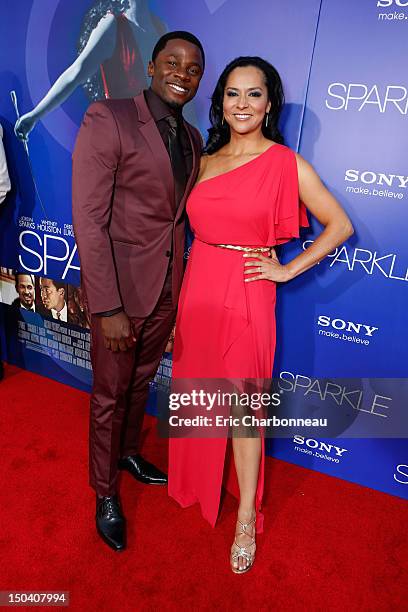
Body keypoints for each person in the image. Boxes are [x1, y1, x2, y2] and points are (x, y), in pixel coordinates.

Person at [168, 56, 354, 574]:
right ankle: (196, 480)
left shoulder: (284, 163)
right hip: (199, 285)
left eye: (253, 94)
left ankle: (246, 516)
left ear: (270, 103)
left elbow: (338, 225)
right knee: (199, 392)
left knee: (245, 407)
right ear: (220, 102)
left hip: (248, 292)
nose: (242, 104)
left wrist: (289, 270)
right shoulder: (204, 159)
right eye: (232, 93)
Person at [72, 31, 204, 552]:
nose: (181, 73)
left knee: (140, 384)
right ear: (151, 66)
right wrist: (108, 307)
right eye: (172, 62)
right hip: (121, 297)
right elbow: (88, 219)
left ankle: (127, 453)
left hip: (166, 291)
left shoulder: (192, 139)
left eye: (193, 68)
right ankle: (104, 491)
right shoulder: (110, 118)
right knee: (109, 394)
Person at [14, 0, 167, 141]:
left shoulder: (161, 29)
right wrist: (34, 116)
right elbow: (74, 74)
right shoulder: (112, 26)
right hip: (125, 142)